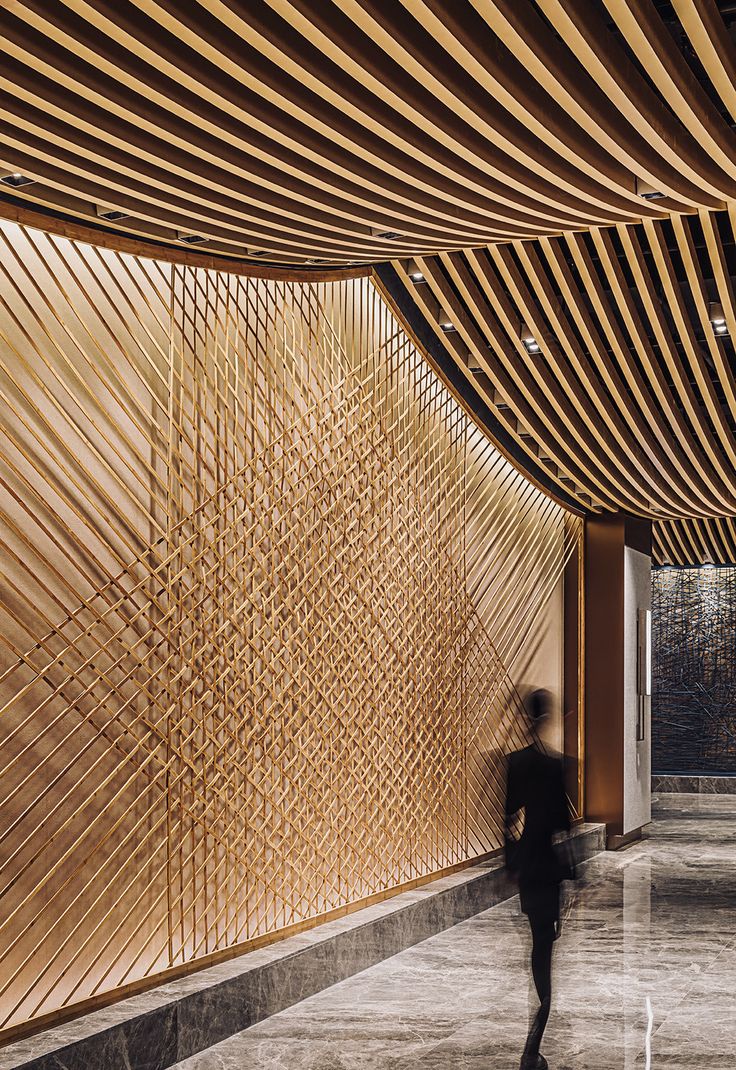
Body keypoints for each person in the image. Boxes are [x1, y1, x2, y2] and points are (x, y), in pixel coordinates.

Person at [505, 689, 575, 1070]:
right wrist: (574, 872)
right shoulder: (557, 765)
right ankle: (539, 1021)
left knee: (538, 937)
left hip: (529, 864)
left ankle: (541, 1004)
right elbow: (563, 827)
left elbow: (507, 818)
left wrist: (510, 864)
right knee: (545, 941)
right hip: (548, 864)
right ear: (549, 717)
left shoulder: (516, 762)